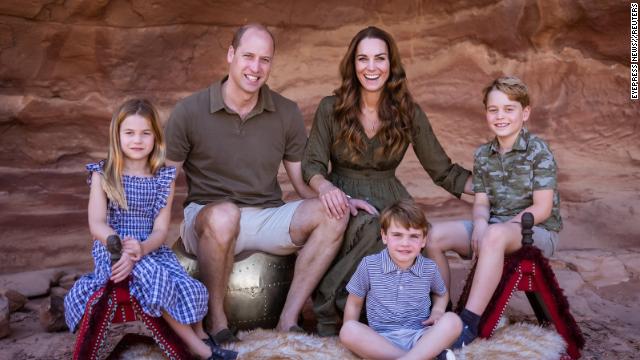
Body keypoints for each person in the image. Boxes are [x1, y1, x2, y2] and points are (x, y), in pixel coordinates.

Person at [164, 23, 349, 343]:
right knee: (225, 216)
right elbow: (163, 184)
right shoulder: (189, 111)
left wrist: (331, 196)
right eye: (248, 56)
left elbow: (301, 181)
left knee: (335, 214)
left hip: (264, 216)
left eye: (265, 59)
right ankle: (217, 324)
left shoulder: (285, 112)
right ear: (231, 55)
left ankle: (288, 320)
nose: (256, 67)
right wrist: (151, 238)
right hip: (206, 219)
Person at [302, 26, 472, 336]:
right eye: (363, 59)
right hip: (344, 196)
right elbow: (312, 164)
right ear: (352, 65)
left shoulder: (407, 112)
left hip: (392, 195)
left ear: (391, 65)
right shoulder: (331, 108)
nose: (371, 67)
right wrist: (326, 188)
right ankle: (330, 312)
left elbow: (442, 170)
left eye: (379, 59)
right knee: (373, 227)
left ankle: (418, 320)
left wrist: (491, 190)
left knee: (409, 233)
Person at [63, 99, 236, 359]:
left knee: (189, 286)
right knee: (153, 276)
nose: (137, 140)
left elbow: (160, 230)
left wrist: (142, 248)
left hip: (151, 250)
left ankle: (200, 335)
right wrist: (119, 246)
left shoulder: (163, 178)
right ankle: (202, 351)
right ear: (117, 135)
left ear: (156, 137)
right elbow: (96, 223)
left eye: (146, 133)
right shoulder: (104, 175)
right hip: (111, 251)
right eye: (129, 133)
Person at [425, 76, 562, 348]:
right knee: (433, 236)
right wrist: (479, 224)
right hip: (494, 228)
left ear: (525, 113)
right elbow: (482, 202)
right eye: (493, 109)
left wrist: (494, 232)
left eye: (509, 109)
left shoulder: (538, 152)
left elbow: (543, 209)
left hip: (534, 231)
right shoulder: (483, 155)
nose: (500, 116)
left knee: (495, 235)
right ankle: (443, 310)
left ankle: (469, 323)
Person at [339, 200, 461, 360]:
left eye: (414, 236)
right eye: (397, 235)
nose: (405, 243)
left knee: (453, 321)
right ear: (384, 236)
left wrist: (437, 312)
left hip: (420, 337)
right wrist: (352, 337)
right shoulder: (370, 265)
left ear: (423, 240)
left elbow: (441, 293)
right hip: (381, 339)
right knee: (348, 330)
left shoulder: (428, 268)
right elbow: (354, 302)